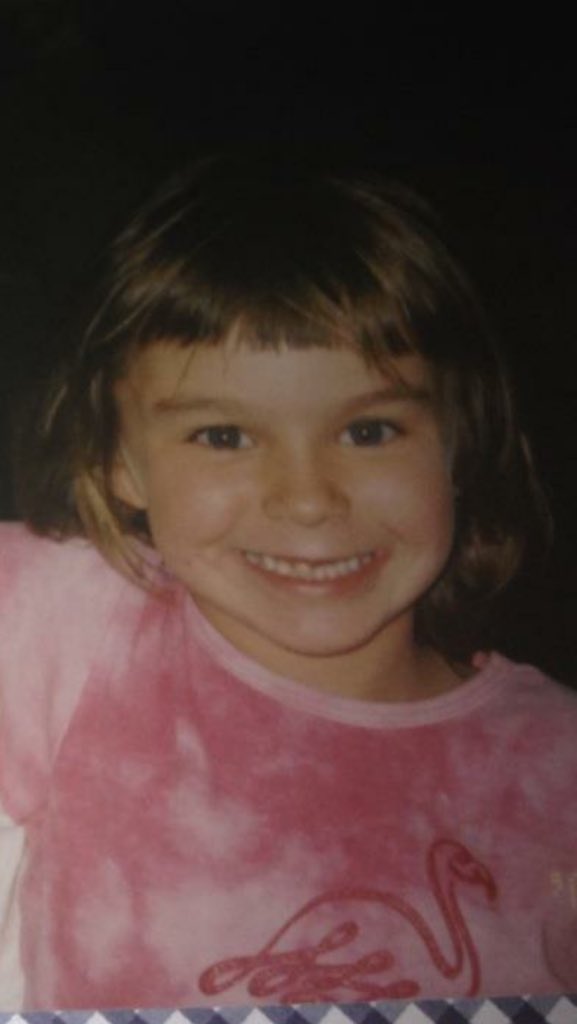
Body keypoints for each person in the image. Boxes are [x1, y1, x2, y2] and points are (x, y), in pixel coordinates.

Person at [0, 154, 575, 1010]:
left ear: (461, 441)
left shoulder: (555, 771)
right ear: (119, 461)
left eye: (369, 431)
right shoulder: (76, 621)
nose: (307, 500)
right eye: (223, 437)